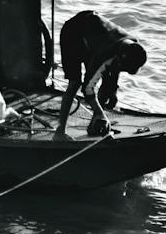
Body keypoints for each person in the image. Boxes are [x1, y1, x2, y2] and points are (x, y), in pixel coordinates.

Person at [54, 10, 147, 139]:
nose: (122, 69)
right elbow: (87, 89)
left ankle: (96, 123)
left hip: (94, 38)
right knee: (75, 82)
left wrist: (113, 91)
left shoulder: (132, 46)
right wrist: (100, 112)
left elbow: (116, 69)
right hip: (72, 33)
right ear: (119, 59)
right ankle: (60, 132)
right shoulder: (104, 56)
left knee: (108, 86)